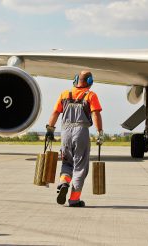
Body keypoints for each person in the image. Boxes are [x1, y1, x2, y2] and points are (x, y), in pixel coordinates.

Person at [46, 70, 103, 207]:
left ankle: (63, 182)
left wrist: (50, 130)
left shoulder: (65, 94)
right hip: (81, 132)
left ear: (76, 79)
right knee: (80, 167)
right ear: (89, 82)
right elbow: (96, 115)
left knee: (67, 163)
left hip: (65, 132)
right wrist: (99, 133)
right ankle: (74, 199)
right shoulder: (90, 95)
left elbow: (55, 112)